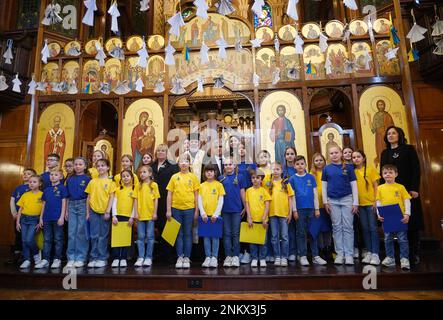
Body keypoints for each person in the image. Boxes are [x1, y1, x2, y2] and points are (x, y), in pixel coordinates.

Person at [380, 126, 423, 265]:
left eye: (393, 133)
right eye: (388, 134)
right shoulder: (384, 153)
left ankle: (414, 253)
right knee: (393, 226)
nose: (391, 135)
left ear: (399, 135)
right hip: (389, 195)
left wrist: (414, 188)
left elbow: (416, 169)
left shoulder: (408, 149)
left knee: (411, 223)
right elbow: (383, 173)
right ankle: (395, 255)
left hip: (408, 193)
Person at [322, 146, 359, 265]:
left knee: (348, 227)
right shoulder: (326, 169)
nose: (334, 155)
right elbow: (324, 187)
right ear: (329, 155)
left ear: (341, 153)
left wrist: (355, 202)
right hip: (332, 201)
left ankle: (349, 254)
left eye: (336, 152)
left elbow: (354, 185)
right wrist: (325, 202)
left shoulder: (348, 167)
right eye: (331, 153)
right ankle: (339, 254)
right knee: (337, 227)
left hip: (347, 199)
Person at [290, 156, 327, 266]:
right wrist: (294, 211)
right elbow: (292, 197)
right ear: (294, 166)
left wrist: (316, 209)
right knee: (301, 233)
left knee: (313, 232)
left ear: (305, 165)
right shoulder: (292, 179)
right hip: (300, 210)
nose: (300, 166)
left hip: (311, 209)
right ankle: (303, 255)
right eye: (297, 164)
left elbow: (315, 194)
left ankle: (315, 256)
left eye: (302, 163)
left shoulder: (311, 177)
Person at [166, 153, 200, 269]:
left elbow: (196, 195)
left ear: (189, 163)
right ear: (178, 163)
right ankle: (180, 256)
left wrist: (196, 211)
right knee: (178, 234)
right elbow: (169, 195)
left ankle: (187, 257)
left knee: (188, 233)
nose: (184, 163)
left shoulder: (193, 177)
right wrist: (168, 210)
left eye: (186, 161)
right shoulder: (174, 177)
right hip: (176, 209)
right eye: (181, 161)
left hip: (189, 209)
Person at [376, 164, 412, 270]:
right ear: (382, 175)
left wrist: (407, 213)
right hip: (386, 218)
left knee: (402, 239)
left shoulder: (400, 187)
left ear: (396, 174)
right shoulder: (379, 188)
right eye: (385, 173)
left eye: (390, 172)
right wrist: (379, 215)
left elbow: (406, 200)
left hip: (400, 217)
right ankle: (390, 257)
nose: (388, 175)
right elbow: (378, 202)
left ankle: (404, 259)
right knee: (387, 238)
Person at [85, 158, 116, 268]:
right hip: (93, 211)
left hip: (105, 212)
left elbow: (112, 197)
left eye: (103, 165)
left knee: (103, 235)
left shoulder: (111, 182)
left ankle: (102, 258)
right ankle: (93, 257)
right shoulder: (92, 181)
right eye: (98, 166)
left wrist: (108, 211)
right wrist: (87, 212)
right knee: (94, 235)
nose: (100, 168)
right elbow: (88, 198)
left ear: (108, 167)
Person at [151, 144, 179, 262]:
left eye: (163, 150)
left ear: (167, 152)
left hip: (167, 200)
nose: (160, 152)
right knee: (156, 227)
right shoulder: (151, 166)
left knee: (168, 227)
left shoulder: (172, 166)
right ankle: (158, 253)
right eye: (158, 150)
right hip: (152, 201)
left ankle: (169, 255)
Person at [352, 150, 381, 265]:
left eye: (358, 157)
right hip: (360, 205)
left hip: (370, 204)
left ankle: (375, 253)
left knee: (373, 228)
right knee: (364, 228)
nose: (356, 159)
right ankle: (369, 251)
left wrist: (376, 201)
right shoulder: (352, 172)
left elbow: (376, 186)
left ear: (363, 158)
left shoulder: (370, 170)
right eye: (354, 157)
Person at [35, 169, 67, 269]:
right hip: (46, 218)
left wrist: (62, 217)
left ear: (60, 177)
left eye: (56, 175)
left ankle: (57, 259)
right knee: (47, 239)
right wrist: (41, 218)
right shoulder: (47, 189)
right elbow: (44, 204)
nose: (53, 176)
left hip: (57, 218)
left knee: (58, 238)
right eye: (51, 175)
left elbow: (64, 202)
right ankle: (46, 259)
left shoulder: (62, 188)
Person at [219, 157, 247, 268]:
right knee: (226, 234)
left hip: (236, 210)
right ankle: (228, 256)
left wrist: (245, 207)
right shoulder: (221, 178)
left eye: (230, 164)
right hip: (225, 210)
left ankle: (235, 256)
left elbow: (242, 193)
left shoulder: (240, 177)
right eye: (225, 165)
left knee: (236, 234)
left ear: (235, 165)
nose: (228, 166)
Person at [264, 162, 294, 267]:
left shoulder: (285, 183)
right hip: (272, 214)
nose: (275, 171)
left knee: (285, 236)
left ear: (281, 171)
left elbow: (290, 199)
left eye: (277, 169)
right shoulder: (268, 184)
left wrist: (290, 213)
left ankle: (284, 257)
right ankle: (277, 256)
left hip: (284, 214)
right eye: (273, 169)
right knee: (274, 236)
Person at [65, 157, 91, 268]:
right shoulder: (70, 179)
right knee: (71, 232)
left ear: (85, 166)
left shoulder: (88, 179)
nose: (77, 166)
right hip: (71, 205)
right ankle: (71, 257)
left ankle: (81, 257)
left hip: (83, 205)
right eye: (76, 164)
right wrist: (66, 210)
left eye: (80, 164)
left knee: (81, 232)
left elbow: (89, 196)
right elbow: (66, 196)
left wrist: (88, 211)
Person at [199, 165, 225, 268]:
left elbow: (221, 200)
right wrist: (202, 213)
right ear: (204, 173)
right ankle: (208, 257)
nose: (209, 173)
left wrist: (216, 214)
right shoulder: (201, 186)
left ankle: (214, 257)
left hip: (215, 217)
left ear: (215, 173)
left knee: (215, 237)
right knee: (206, 237)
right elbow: (199, 200)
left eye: (211, 171)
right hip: (205, 216)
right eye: (207, 171)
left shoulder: (219, 185)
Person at [16, 175, 44, 269]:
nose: (31, 183)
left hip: (34, 219)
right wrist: (17, 222)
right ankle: (27, 259)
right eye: (30, 182)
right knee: (24, 240)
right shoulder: (25, 194)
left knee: (29, 239)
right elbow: (20, 208)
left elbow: (44, 209)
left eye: (34, 182)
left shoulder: (42, 195)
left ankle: (36, 254)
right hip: (24, 219)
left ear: (40, 184)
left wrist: (40, 219)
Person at [111, 170, 137, 268]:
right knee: (117, 238)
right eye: (124, 176)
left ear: (132, 177)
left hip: (128, 217)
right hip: (118, 216)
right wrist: (114, 215)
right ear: (121, 178)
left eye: (128, 176)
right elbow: (114, 203)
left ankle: (123, 258)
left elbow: (135, 205)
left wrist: (132, 217)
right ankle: (116, 257)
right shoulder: (118, 189)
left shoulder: (134, 189)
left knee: (126, 239)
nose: (126, 178)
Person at [245, 169, 271, 267]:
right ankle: (254, 258)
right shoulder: (248, 191)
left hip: (262, 221)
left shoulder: (264, 191)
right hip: (252, 220)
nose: (255, 180)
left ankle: (262, 258)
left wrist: (264, 218)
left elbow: (267, 205)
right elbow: (247, 205)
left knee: (263, 241)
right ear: (251, 179)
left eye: (257, 178)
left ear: (261, 179)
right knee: (253, 241)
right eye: (253, 178)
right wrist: (249, 217)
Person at [135, 165, 160, 267]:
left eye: (144, 172)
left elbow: (156, 200)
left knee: (150, 237)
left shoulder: (153, 185)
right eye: (140, 172)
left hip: (150, 215)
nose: (142, 174)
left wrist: (154, 212)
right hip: (140, 215)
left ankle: (148, 257)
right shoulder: (138, 185)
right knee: (140, 237)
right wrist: (136, 213)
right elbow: (135, 199)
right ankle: (141, 257)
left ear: (150, 173)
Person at [310, 153, 333, 262]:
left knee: (327, 228)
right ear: (313, 163)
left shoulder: (328, 171)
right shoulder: (311, 174)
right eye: (316, 160)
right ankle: (321, 249)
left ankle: (328, 248)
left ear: (324, 161)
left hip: (328, 204)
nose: (319, 162)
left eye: (321, 160)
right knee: (318, 228)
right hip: (317, 206)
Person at [10, 168, 36, 261]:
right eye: (24, 173)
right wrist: (14, 213)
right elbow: (12, 200)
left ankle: (29, 255)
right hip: (18, 216)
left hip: (28, 216)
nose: (25, 175)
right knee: (18, 234)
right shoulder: (18, 187)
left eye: (28, 174)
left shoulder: (33, 188)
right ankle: (17, 253)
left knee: (28, 236)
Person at [367, 99, 394, 167]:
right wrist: (369, 118)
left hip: (385, 134)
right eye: (379, 105)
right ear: (377, 106)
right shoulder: (376, 115)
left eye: (381, 104)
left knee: (385, 147)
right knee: (379, 149)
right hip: (378, 135)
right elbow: (373, 127)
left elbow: (391, 126)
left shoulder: (387, 115)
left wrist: (385, 131)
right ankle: (381, 161)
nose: (380, 106)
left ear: (384, 105)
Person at [283, 146, 297, 261]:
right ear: (285, 156)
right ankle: (290, 251)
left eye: (292, 154)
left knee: (300, 228)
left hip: (299, 200)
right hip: (287, 201)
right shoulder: (282, 170)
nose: (290, 156)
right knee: (289, 228)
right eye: (287, 154)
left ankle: (299, 252)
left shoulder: (299, 168)